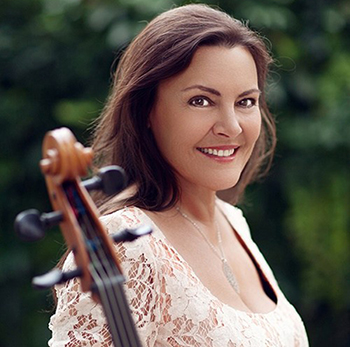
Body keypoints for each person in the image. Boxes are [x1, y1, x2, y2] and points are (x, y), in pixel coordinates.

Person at [49, 3, 309, 346]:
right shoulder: (126, 244)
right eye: (201, 101)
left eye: (245, 101)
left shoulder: (233, 223)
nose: (231, 127)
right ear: (146, 111)